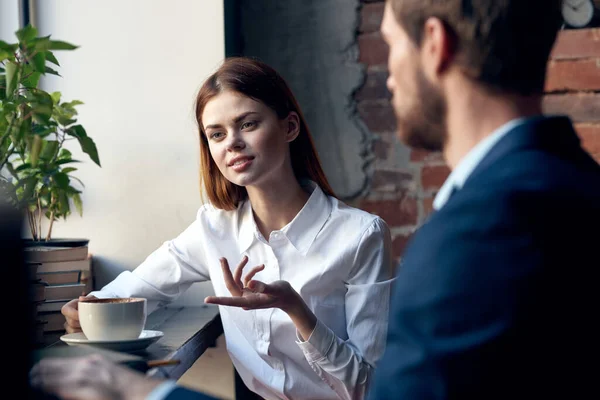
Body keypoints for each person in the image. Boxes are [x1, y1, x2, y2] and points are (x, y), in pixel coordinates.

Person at [38, 57, 394, 400]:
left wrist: (296, 310)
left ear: (289, 127)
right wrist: (88, 307)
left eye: (248, 124)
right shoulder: (214, 227)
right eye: (217, 134)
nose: (232, 142)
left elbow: (370, 388)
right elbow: (142, 286)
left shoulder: (361, 236)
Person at [367, 0, 600, 399]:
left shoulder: (479, 233)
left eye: (392, 43)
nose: (389, 76)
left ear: (434, 43)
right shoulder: (576, 179)